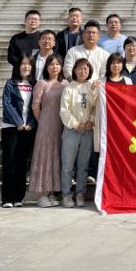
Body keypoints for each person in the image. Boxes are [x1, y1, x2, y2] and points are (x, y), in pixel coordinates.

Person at [29, 54, 67, 208]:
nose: (54, 67)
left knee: (56, 157)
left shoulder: (65, 83)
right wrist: (43, 121)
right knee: (45, 157)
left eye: (57, 64)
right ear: (46, 67)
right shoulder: (42, 83)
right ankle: (42, 194)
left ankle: (52, 192)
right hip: (45, 124)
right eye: (51, 64)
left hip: (62, 125)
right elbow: (35, 106)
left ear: (61, 67)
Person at [60, 59, 97, 208]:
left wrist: (91, 121)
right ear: (75, 70)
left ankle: (80, 193)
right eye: (80, 68)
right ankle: (66, 195)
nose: (83, 71)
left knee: (83, 165)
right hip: (71, 131)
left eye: (86, 68)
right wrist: (76, 124)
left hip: (87, 131)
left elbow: (95, 107)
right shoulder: (69, 88)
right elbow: (64, 110)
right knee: (68, 165)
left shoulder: (92, 87)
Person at [0, 55, 37, 208]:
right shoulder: (10, 83)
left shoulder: (35, 85)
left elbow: (37, 106)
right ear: (18, 66)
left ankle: (18, 197)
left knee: (22, 164)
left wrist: (30, 123)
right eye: (23, 63)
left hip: (28, 129)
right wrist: (18, 122)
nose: (26, 66)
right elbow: (7, 104)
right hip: (11, 128)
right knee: (9, 163)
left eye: (29, 64)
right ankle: (7, 198)